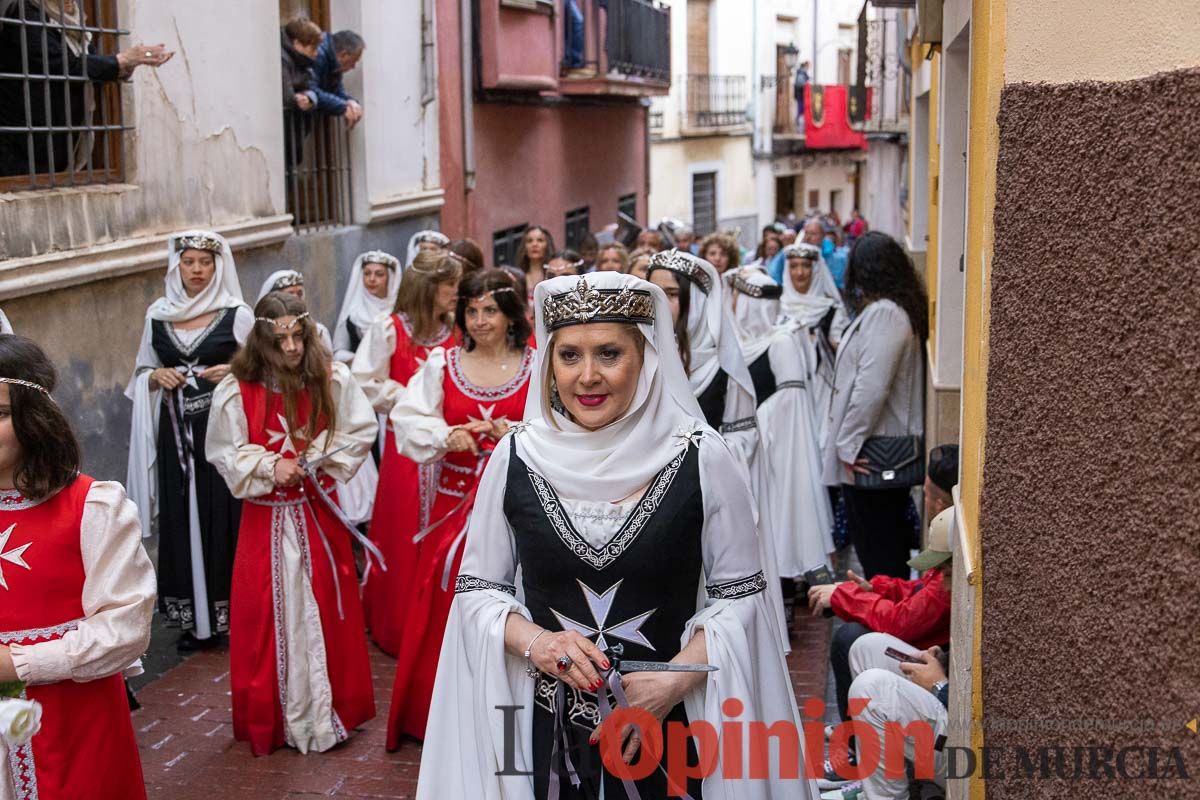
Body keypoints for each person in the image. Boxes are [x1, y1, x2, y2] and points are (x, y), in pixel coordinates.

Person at [416, 272, 819, 799]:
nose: (587, 376)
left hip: (671, 735)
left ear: (646, 356)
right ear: (549, 363)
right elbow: (478, 591)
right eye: (569, 356)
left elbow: (740, 597)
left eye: (609, 353)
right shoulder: (515, 458)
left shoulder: (702, 457)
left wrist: (675, 680)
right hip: (545, 736)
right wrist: (539, 644)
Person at [206, 291, 377, 756]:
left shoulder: (328, 376)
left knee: (325, 606)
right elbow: (225, 449)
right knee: (269, 614)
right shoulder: (236, 389)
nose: (291, 348)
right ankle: (276, 718)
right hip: (265, 521)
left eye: (297, 335)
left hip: (317, 514)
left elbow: (359, 428)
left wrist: (316, 455)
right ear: (262, 338)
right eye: (279, 338)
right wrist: (267, 467)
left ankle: (326, 714)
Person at [0, 335, 155, 799]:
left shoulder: (92, 507)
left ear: (33, 417)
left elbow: (126, 628)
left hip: (75, 726)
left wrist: (18, 663)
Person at [386, 269, 535, 746]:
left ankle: (510, 714)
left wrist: (518, 435)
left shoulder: (539, 364)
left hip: (519, 505)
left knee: (518, 595)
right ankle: (440, 713)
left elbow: (563, 427)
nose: (479, 320)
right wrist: (442, 434)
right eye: (471, 310)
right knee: (447, 597)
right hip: (453, 509)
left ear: (511, 314)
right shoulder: (442, 364)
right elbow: (407, 417)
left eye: (490, 309)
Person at [126, 231, 252, 652]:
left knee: (224, 513)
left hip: (220, 434)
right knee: (182, 514)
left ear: (219, 267)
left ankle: (229, 613)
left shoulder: (236, 314)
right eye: (189, 262)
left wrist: (235, 372)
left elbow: (265, 371)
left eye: (205, 262)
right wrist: (154, 377)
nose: (197, 270)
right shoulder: (157, 316)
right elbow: (141, 371)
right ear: (176, 266)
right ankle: (193, 621)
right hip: (174, 432)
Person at [351, 251, 460, 656]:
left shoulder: (458, 332)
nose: (456, 294)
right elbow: (365, 381)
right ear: (429, 288)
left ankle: (437, 630)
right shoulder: (390, 329)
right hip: (406, 450)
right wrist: (415, 395)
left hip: (451, 448)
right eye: (450, 286)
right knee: (401, 533)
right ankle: (397, 625)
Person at [727, 267, 834, 627]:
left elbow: (790, 401)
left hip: (776, 455)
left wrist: (748, 423)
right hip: (745, 453)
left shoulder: (782, 341)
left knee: (778, 527)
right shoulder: (738, 344)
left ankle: (783, 606)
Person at [822, 232, 927, 579]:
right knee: (882, 552)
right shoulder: (893, 311)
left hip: (873, 458)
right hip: (872, 456)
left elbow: (872, 388)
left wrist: (847, 446)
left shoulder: (886, 315)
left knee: (881, 557)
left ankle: (885, 628)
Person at [809, 505, 954, 726]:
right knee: (860, 645)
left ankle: (853, 748)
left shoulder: (948, 585)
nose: (944, 580)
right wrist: (875, 589)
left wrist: (847, 597)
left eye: (947, 573)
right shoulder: (947, 577)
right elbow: (919, 591)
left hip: (945, 719)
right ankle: (855, 746)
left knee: (851, 642)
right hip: (940, 685)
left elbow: (901, 622)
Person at [0, 0, 173, 177]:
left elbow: (92, 65)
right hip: (24, 140)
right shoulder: (27, 16)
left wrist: (131, 62)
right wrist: (123, 60)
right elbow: (64, 66)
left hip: (56, 138)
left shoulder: (72, 25)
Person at [850, 646, 949, 799]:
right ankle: (889, 781)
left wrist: (939, 685)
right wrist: (945, 662)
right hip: (952, 697)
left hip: (968, 747)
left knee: (870, 689)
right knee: (867, 648)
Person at [331, 250, 401, 364]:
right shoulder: (353, 313)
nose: (372, 279)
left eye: (379, 274)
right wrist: (359, 360)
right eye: (367, 273)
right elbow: (339, 351)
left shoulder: (398, 310)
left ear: (390, 278)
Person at [255, 269, 332, 350]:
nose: (296, 298)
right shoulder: (259, 335)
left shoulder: (319, 332)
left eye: (299, 293)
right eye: (289, 294)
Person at [313, 29, 364, 128]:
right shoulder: (319, 55)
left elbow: (336, 91)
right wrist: (344, 106)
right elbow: (311, 90)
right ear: (343, 55)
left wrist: (352, 103)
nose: (353, 67)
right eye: (353, 61)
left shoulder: (334, 63)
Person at [281, 17, 320, 114]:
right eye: (313, 48)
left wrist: (309, 98)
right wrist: (300, 99)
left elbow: (312, 88)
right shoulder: (283, 60)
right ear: (297, 43)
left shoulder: (303, 61)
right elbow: (287, 98)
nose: (316, 53)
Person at [516, 225, 555, 304]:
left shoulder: (553, 274)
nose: (534, 244)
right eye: (530, 241)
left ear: (547, 245)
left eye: (540, 240)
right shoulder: (517, 277)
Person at [794, 59, 811, 127]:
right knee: (801, 110)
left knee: (801, 110)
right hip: (800, 95)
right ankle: (798, 124)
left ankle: (800, 124)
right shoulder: (801, 73)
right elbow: (801, 84)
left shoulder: (802, 73)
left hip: (801, 95)